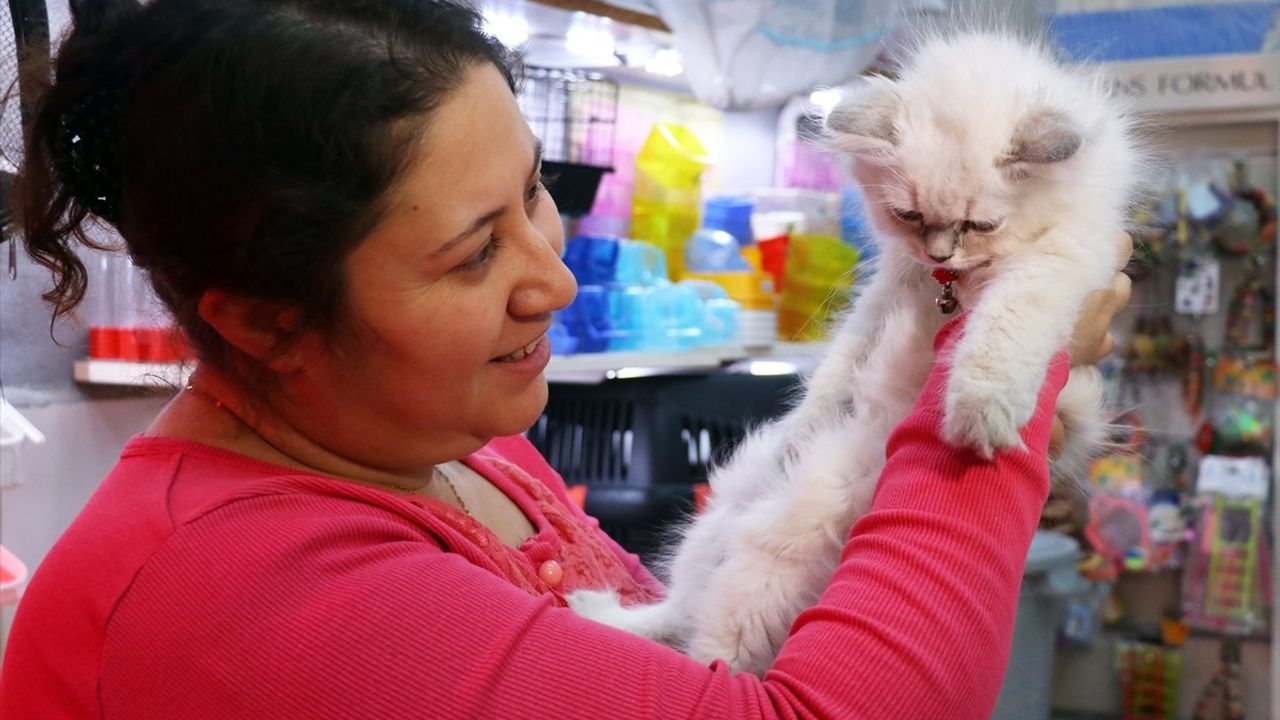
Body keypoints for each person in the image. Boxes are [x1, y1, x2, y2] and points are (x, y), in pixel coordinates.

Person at [1, 1, 1131, 718]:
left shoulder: (450, 446)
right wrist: (1004, 375)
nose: (554, 277)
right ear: (261, 320)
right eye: (471, 253)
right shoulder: (253, 590)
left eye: (534, 192)